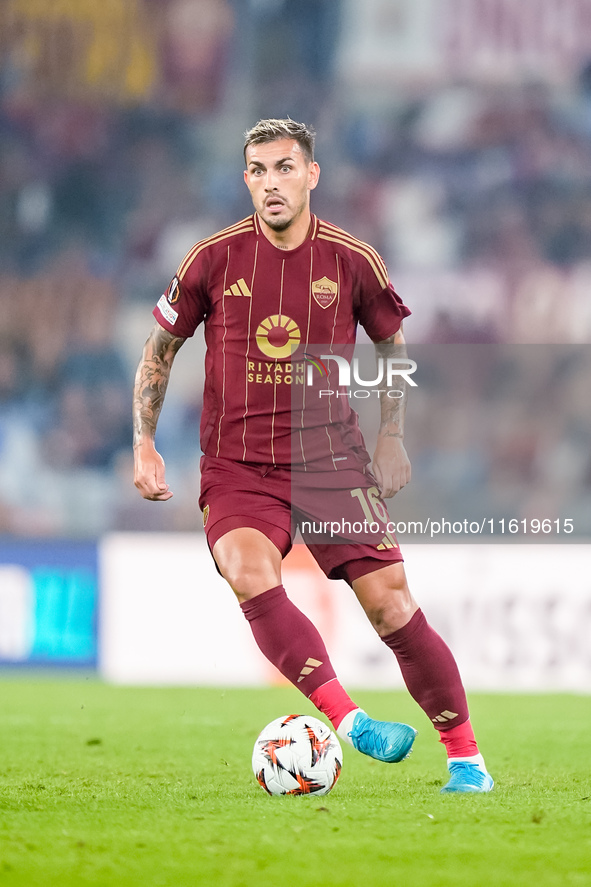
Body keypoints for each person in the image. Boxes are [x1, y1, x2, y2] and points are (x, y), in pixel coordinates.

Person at [133, 118, 493, 793]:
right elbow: (160, 351)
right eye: (258, 170)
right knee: (247, 570)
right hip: (237, 464)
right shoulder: (211, 258)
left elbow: (392, 347)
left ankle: (466, 758)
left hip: (329, 460)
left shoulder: (353, 259)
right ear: (245, 179)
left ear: (311, 174)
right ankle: (351, 722)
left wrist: (391, 434)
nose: (271, 182)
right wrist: (144, 442)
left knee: (389, 606)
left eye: (285, 167)